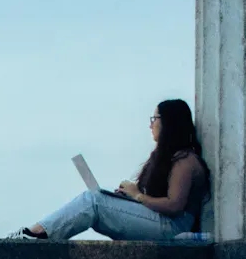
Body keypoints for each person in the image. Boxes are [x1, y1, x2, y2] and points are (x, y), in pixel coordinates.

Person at [13, 99, 210, 241]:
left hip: (173, 228)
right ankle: (39, 234)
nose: (150, 125)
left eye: (154, 118)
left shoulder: (186, 160)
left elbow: (175, 206)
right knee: (96, 198)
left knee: (93, 201)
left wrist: (138, 196)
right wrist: (130, 196)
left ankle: (38, 235)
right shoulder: (169, 157)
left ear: (169, 122)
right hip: (163, 224)